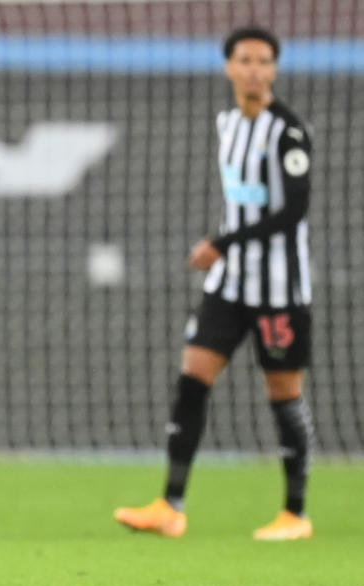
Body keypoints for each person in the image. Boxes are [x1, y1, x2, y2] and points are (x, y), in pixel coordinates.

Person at [114, 27, 316, 540]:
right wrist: (226, 248)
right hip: (229, 286)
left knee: (284, 394)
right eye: (245, 59)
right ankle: (171, 505)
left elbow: (293, 211)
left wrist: (223, 241)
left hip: (278, 288)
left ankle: (295, 513)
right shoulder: (227, 124)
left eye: (264, 61)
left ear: (274, 70)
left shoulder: (288, 132)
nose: (254, 69)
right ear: (229, 67)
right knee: (192, 379)